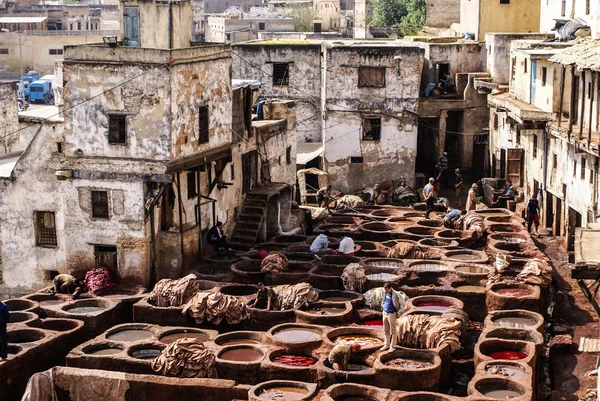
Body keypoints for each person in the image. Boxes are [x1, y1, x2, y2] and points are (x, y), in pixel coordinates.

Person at [380, 282, 407, 352]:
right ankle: (387, 344)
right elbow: (383, 301)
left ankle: (393, 346)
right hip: (385, 313)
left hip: (392, 314)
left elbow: (403, 305)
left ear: (390, 288)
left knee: (393, 331)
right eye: (385, 290)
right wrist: (383, 308)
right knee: (386, 330)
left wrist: (399, 313)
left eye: (387, 290)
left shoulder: (396, 294)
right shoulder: (385, 292)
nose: (385, 291)